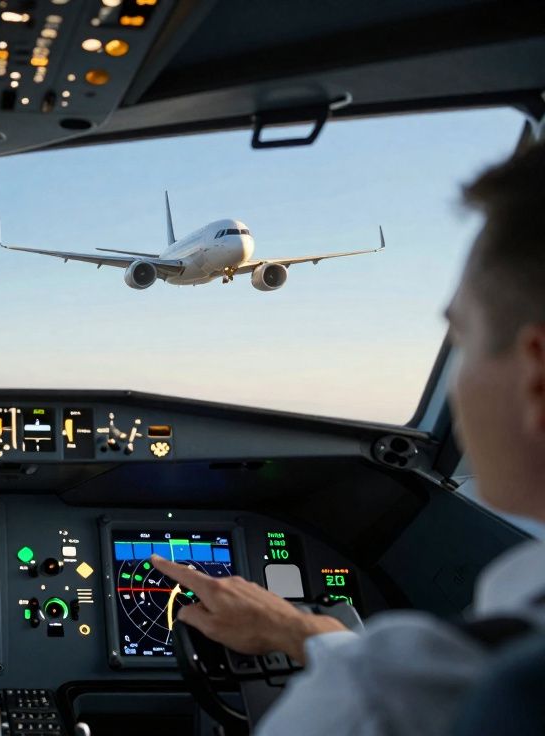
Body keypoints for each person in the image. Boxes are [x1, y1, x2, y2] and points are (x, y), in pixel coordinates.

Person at [153, 137, 545, 734]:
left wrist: (348, 669)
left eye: (459, 341)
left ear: (535, 376)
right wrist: (296, 630)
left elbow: (410, 685)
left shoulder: (385, 697)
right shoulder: (481, 654)